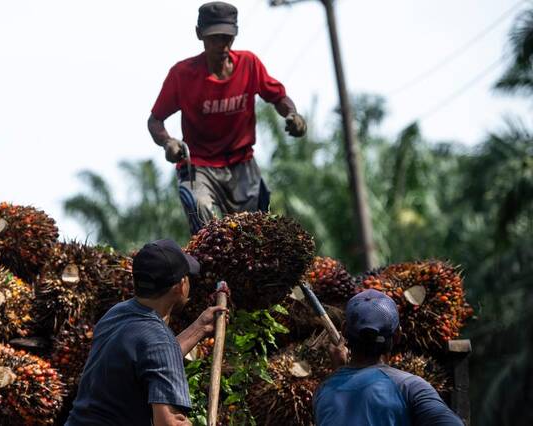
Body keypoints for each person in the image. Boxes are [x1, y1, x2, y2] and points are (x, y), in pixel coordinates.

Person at [148, 1, 307, 234]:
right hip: (200, 165)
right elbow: (155, 120)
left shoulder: (249, 64)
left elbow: (278, 97)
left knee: (256, 233)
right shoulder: (182, 75)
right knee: (201, 214)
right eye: (214, 38)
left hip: (241, 163)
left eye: (227, 37)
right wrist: (168, 142)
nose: (221, 45)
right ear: (199, 34)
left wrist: (293, 115)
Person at [65, 239, 226, 426]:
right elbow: (168, 422)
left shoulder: (115, 314)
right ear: (181, 286)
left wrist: (199, 328)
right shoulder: (159, 340)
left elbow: (153, 357)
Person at [313, 289, 464, 426]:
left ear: (344, 330)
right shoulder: (409, 387)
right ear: (397, 336)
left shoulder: (322, 393)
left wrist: (340, 371)